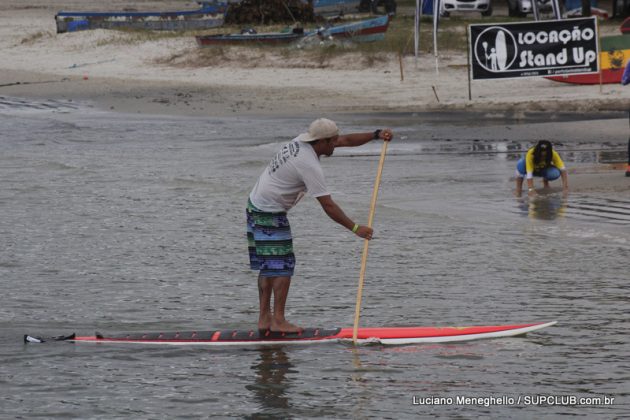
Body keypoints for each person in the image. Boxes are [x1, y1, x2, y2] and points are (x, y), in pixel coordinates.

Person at [246, 118, 393, 333]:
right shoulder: (308, 165)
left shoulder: (303, 142)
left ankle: (265, 319)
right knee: (282, 267)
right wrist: (355, 228)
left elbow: (346, 140)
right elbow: (328, 205)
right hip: (268, 212)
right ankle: (277, 321)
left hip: (255, 204)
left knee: (270, 266)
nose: (336, 144)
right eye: (332, 142)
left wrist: (376, 134)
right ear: (322, 142)